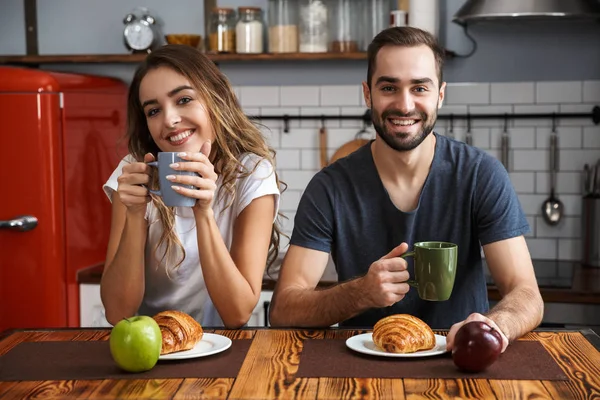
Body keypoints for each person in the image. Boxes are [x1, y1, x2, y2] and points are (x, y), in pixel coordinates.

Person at [269, 27, 543, 353]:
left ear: (440, 95)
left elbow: (525, 292)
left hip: (458, 360)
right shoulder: (329, 187)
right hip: (358, 371)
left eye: (419, 88)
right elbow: (283, 309)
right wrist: (359, 293)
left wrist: (494, 326)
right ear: (367, 94)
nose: (404, 104)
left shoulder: (481, 174)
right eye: (389, 87)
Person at [101, 44, 283, 329]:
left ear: (216, 99)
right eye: (153, 111)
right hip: (153, 347)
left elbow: (237, 313)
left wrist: (204, 212)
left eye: (183, 99)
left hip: (224, 347)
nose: (170, 120)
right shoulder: (135, 173)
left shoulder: (252, 174)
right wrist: (136, 214)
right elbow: (118, 313)